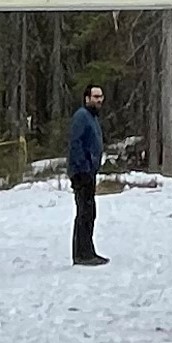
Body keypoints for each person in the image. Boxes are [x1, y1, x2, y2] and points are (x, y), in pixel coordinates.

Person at [67, 81, 108, 265]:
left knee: (89, 212)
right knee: (84, 212)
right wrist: (83, 167)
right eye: (95, 97)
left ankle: (87, 251)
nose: (99, 100)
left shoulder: (92, 117)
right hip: (81, 172)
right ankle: (82, 254)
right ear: (87, 98)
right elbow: (75, 144)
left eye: (100, 97)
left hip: (88, 172)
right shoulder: (82, 116)